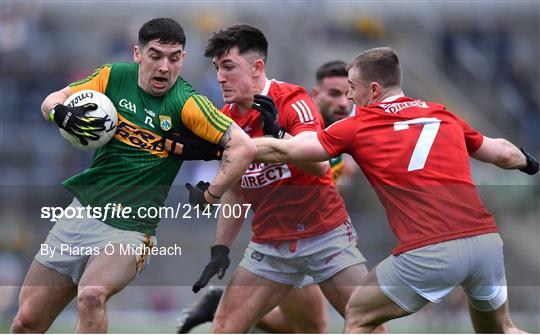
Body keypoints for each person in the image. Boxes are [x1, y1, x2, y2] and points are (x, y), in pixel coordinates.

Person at [252, 47, 538, 333]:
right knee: (502, 330)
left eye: (352, 87)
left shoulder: (357, 126)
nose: (349, 96)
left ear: (374, 89)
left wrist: (255, 137)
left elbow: (293, 150)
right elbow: (502, 154)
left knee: (359, 314)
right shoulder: (442, 114)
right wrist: (530, 163)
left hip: (430, 250)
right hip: (485, 244)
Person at [10, 18, 256, 333]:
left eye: (174, 57)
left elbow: (244, 148)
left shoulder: (187, 102)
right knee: (26, 322)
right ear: (138, 54)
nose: (165, 66)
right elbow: (51, 101)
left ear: (183, 58)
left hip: (131, 230)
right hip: (80, 214)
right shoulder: (114, 76)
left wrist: (212, 194)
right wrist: (62, 113)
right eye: (156, 55)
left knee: (91, 295)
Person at [171, 24, 384, 333]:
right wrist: (220, 249)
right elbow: (236, 191)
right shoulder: (226, 119)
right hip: (270, 249)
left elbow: (320, 166)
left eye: (228, 67)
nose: (219, 77)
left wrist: (278, 135)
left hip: (325, 238)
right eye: (217, 68)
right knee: (224, 329)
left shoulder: (292, 100)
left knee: (367, 326)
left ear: (258, 67)